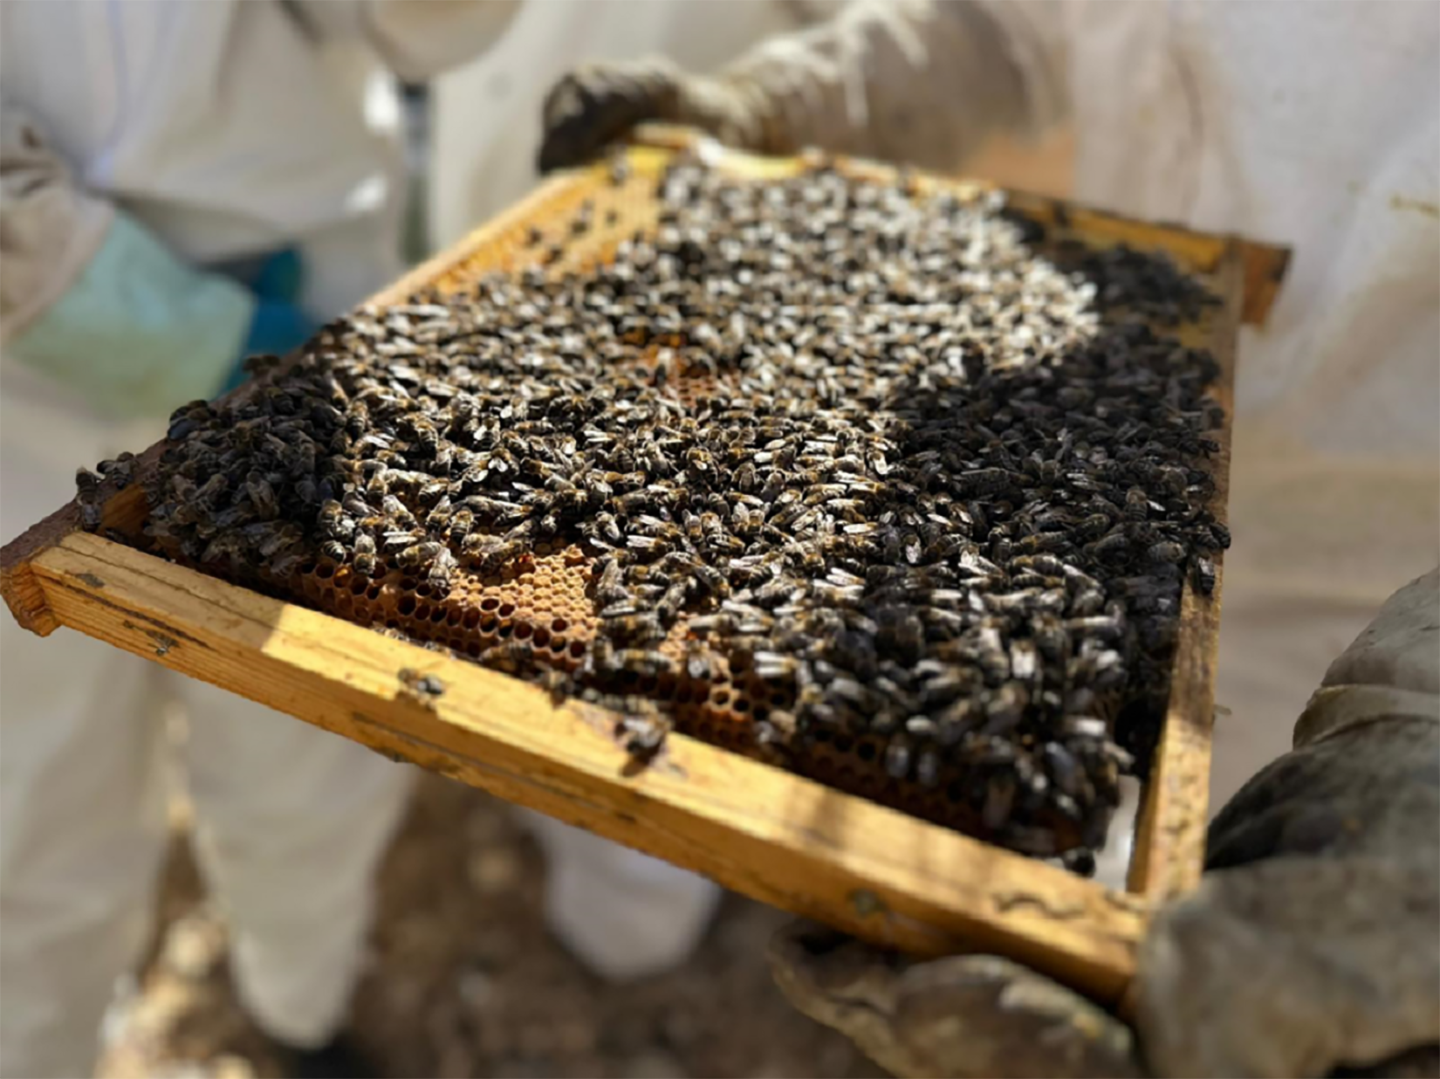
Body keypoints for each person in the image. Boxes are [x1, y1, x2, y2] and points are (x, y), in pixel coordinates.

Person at [534, 2, 1440, 1076]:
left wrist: (1416, 740)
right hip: (1065, 429)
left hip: (1366, 611)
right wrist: (780, 105)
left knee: (1233, 937)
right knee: (1007, 799)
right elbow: (1006, 33)